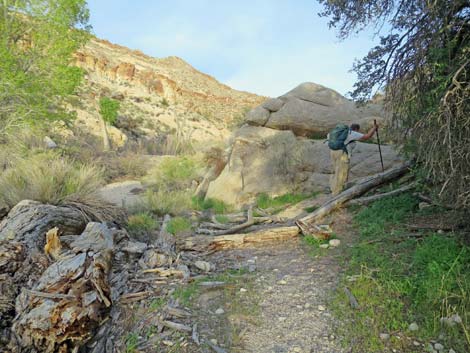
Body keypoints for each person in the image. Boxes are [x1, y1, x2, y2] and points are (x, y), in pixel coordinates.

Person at [328, 122, 378, 195]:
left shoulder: (338, 132)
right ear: (356, 129)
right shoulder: (352, 133)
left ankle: (332, 188)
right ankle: (337, 193)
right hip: (342, 153)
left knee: (335, 170)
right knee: (342, 172)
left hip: (333, 152)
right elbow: (367, 136)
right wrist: (374, 128)